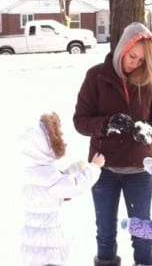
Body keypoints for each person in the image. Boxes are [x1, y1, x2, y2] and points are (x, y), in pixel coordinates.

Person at [73, 22, 152, 266]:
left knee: (142, 235)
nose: (135, 63)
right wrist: (105, 124)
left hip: (140, 169)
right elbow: (80, 121)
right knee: (105, 234)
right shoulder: (96, 76)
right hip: (103, 169)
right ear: (121, 49)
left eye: (141, 60)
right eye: (132, 56)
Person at [20, 112, 105, 266]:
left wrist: (73, 169)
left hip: (32, 244)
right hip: (48, 246)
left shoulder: (32, 172)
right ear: (44, 147)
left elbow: (56, 185)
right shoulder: (49, 175)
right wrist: (94, 167)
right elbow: (74, 187)